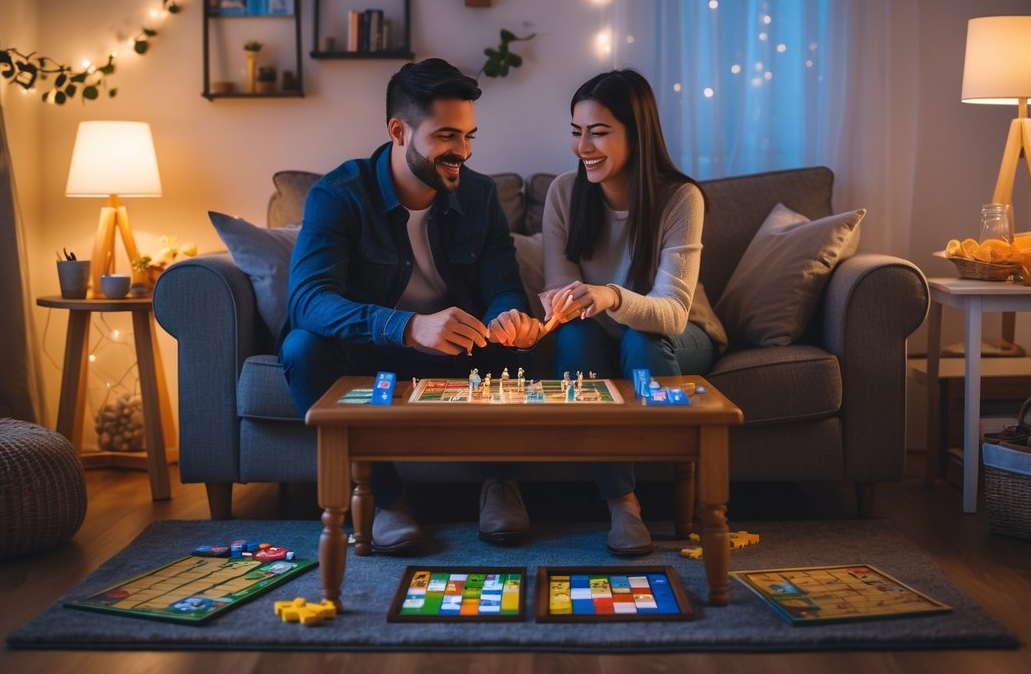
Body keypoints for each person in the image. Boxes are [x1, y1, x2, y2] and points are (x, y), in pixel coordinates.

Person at [280, 58, 543, 553]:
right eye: (446, 136)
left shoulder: (481, 195)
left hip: (462, 349)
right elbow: (308, 300)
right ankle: (384, 500)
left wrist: (507, 315)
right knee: (301, 348)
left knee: (516, 345)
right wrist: (406, 327)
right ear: (398, 131)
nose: (462, 152)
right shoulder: (338, 195)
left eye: (469, 137)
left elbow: (504, 287)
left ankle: (500, 481)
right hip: (371, 350)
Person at [541, 69, 720, 556]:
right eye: (577, 132)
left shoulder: (680, 198)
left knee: (641, 341)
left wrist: (612, 296)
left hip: (679, 331)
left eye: (598, 132)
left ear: (636, 134)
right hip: (595, 330)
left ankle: (667, 481)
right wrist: (554, 309)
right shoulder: (562, 193)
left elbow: (672, 313)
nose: (584, 147)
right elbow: (556, 287)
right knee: (574, 340)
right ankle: (623, 502)